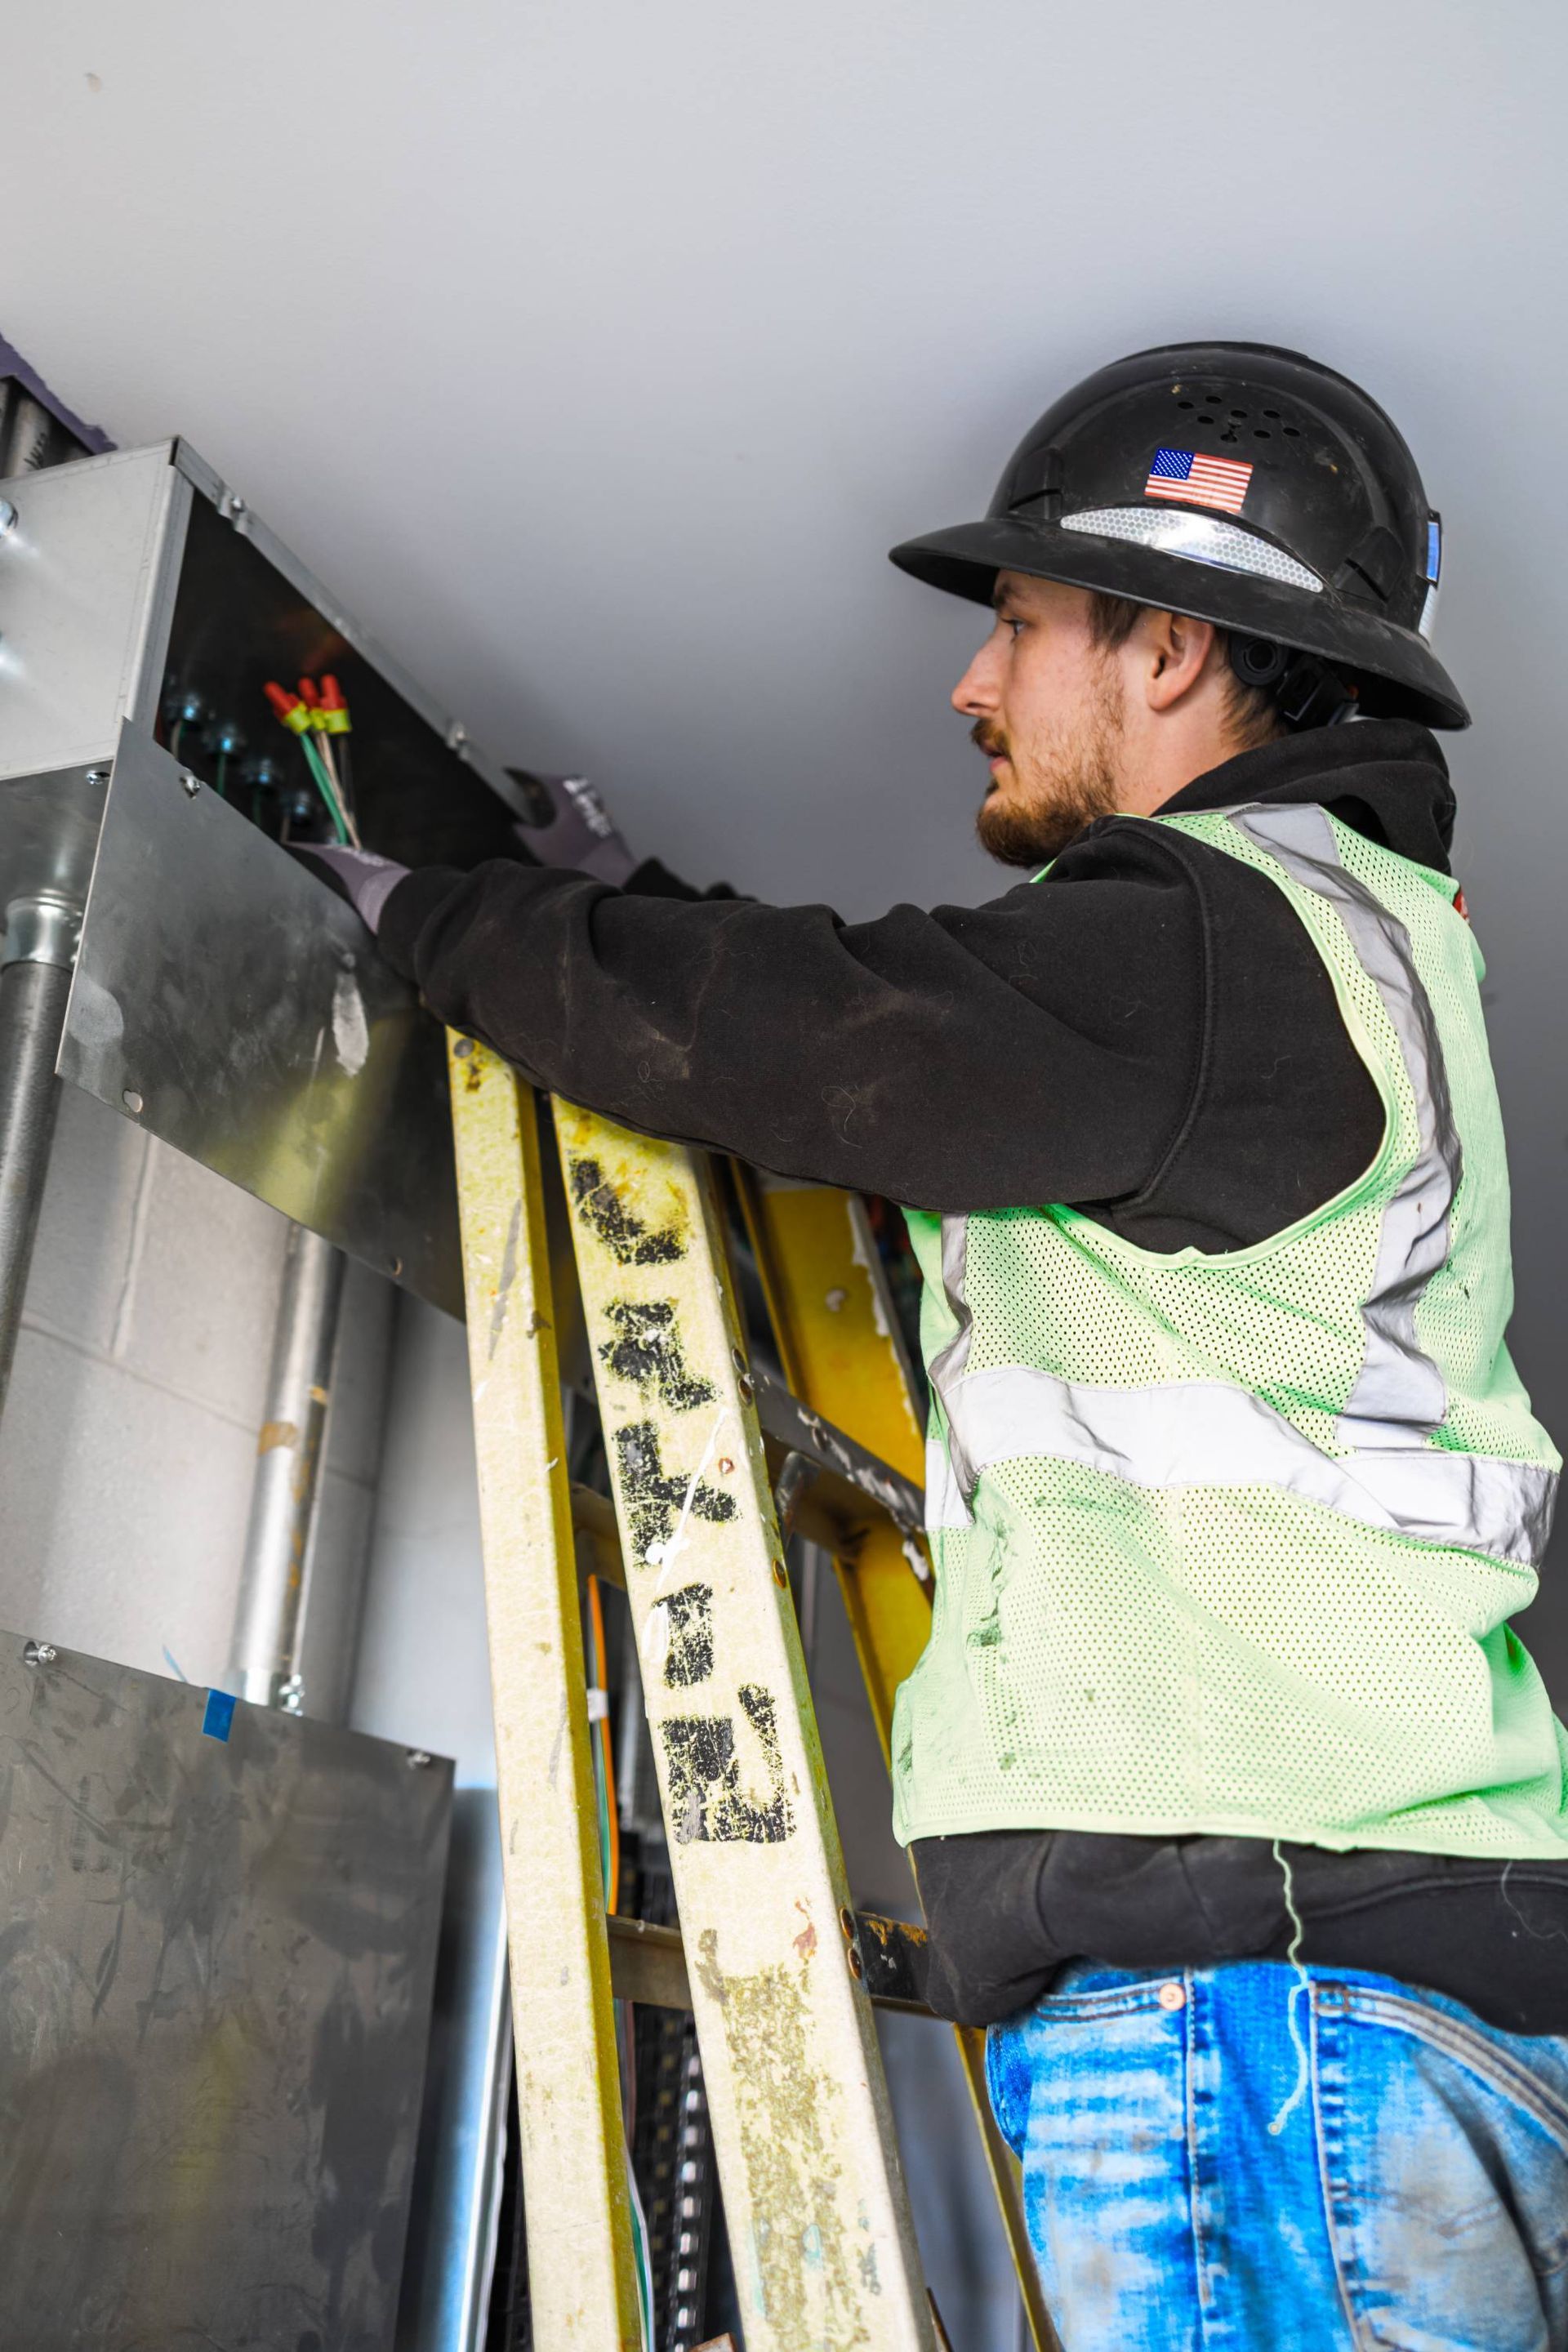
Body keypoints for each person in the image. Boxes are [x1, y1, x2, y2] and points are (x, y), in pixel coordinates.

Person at [304, 343, 1568, 2351]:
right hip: (1339, 1968)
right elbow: (942, 1053)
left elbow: (841, 1039)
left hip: (1264, 1993)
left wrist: (442, 924)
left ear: (1164, 650)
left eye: (1018, 623)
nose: (972, 687)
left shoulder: (1219, 934)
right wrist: (643, 905)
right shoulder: (1308, 949)